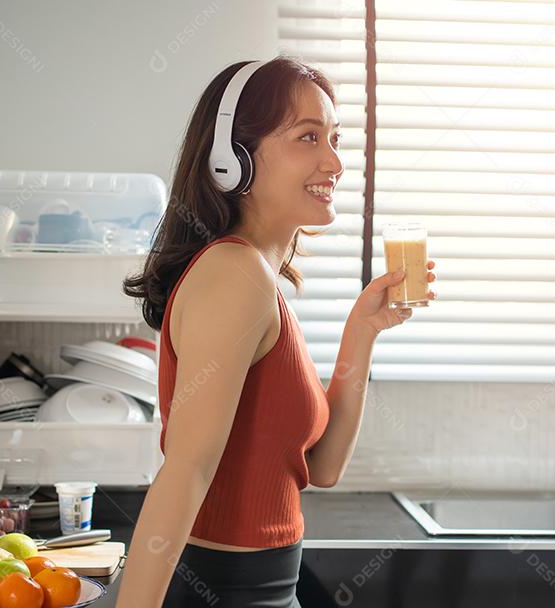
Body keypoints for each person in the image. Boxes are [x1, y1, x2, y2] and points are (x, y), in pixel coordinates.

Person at [119, 57, 437, 607]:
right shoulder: (235, 273)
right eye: (307, 137)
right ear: (231, 160)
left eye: (334, 138)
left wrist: (361, 332)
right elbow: (187, 470)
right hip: (224, 591)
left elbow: (321, 467)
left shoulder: (258, 280)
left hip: (265, 587)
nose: (334, 161)